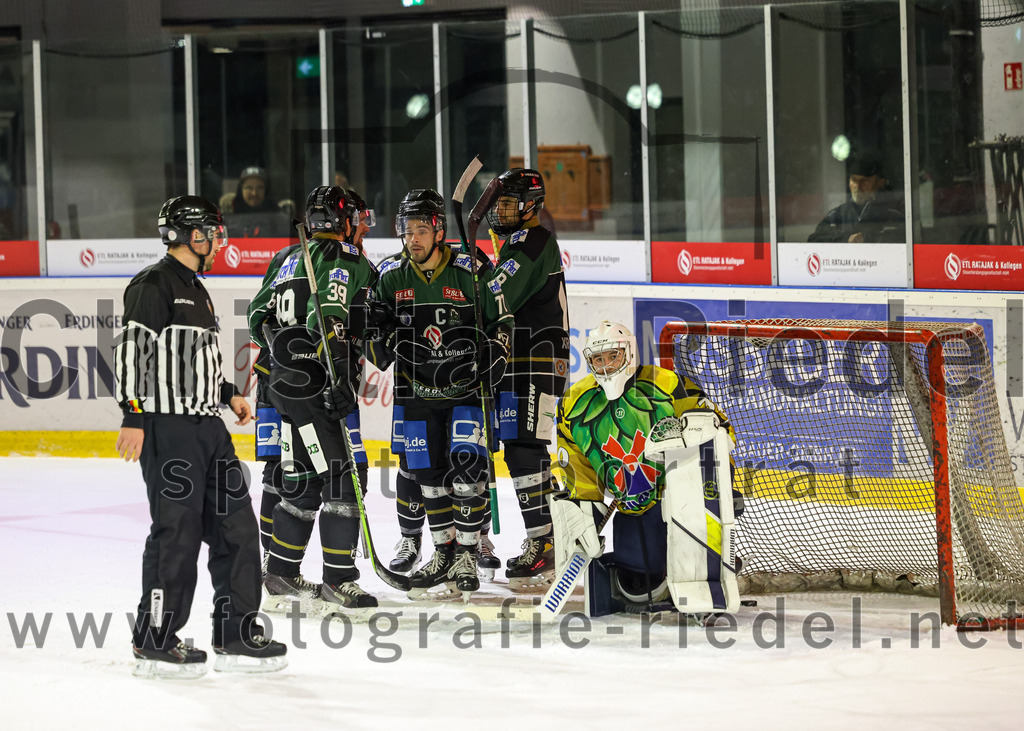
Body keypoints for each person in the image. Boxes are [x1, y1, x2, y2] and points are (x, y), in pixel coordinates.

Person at [114, 195, 286, 679]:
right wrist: (132, 414)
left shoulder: (197, 287)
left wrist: (228, 392)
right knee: (177, 533)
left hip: (208, 428)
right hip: (168, 430)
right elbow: (133, 354)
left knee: (237, 527)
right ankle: (156, 636)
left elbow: (190, 362)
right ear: (193, 236)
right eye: (212, 232)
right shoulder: (153, 284)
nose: (217, 241)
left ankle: (235, 630)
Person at [363, 188, 513, 600]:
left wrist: (496, 351)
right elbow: (376, 350)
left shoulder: (471, 267)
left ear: (439, 231)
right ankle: (443, 550)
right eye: (407, 230)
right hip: (416, 392)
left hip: (466, 389)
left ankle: (467, 553)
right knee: (426, 477)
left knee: (467, 471)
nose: (413, 238)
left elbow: (503, 318)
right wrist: (374, 329)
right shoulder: (390, 276)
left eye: (421, 230)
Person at [247, 185, 379, 612]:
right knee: (344, 476)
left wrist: (282, 349)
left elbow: (257, 315)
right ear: (343, 222)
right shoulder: (345, 257)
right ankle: (339, 580)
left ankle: (281, 573)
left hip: (282, 386)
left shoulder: (285, 258)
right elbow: (328, 320)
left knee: (302, 479)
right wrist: (336, 378)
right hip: (316, 388)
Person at [552, 321, 740, 616]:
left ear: (628, 353)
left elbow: (715, 430)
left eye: (611, 356)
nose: (605, 365)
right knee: (639, 581)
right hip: (630, 507)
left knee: (690, 558)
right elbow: (574, 460)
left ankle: (710, 564)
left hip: (679, 501)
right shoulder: (575, 402)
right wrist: (583, 509)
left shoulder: (666, 384)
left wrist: (724, 484)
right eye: (597, 359)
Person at [479, 168, 569, 591]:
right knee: (519, 450)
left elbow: (497, 294)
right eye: (499, 204)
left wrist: (466, 276)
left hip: (538, 359)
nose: (502, 211)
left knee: (526, 450)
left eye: (510, 204)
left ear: (532, 205)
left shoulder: (532, 243)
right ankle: (547, 538)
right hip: (520, 360)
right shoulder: (515, 243)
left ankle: (547, 543)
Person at [808, 152, 904, 243]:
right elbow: (814, 240)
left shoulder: (893, 215)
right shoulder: (837, 215)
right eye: (854, 180)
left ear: (880, 183)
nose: (857, 186)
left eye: (865, 181)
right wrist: (846, 239)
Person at [225, 166, 289, 238]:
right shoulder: (228, 217)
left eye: (260, 188)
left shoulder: (280, 220)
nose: (254, 193)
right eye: (249, 188)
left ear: (266, 191)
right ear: (240, 190)